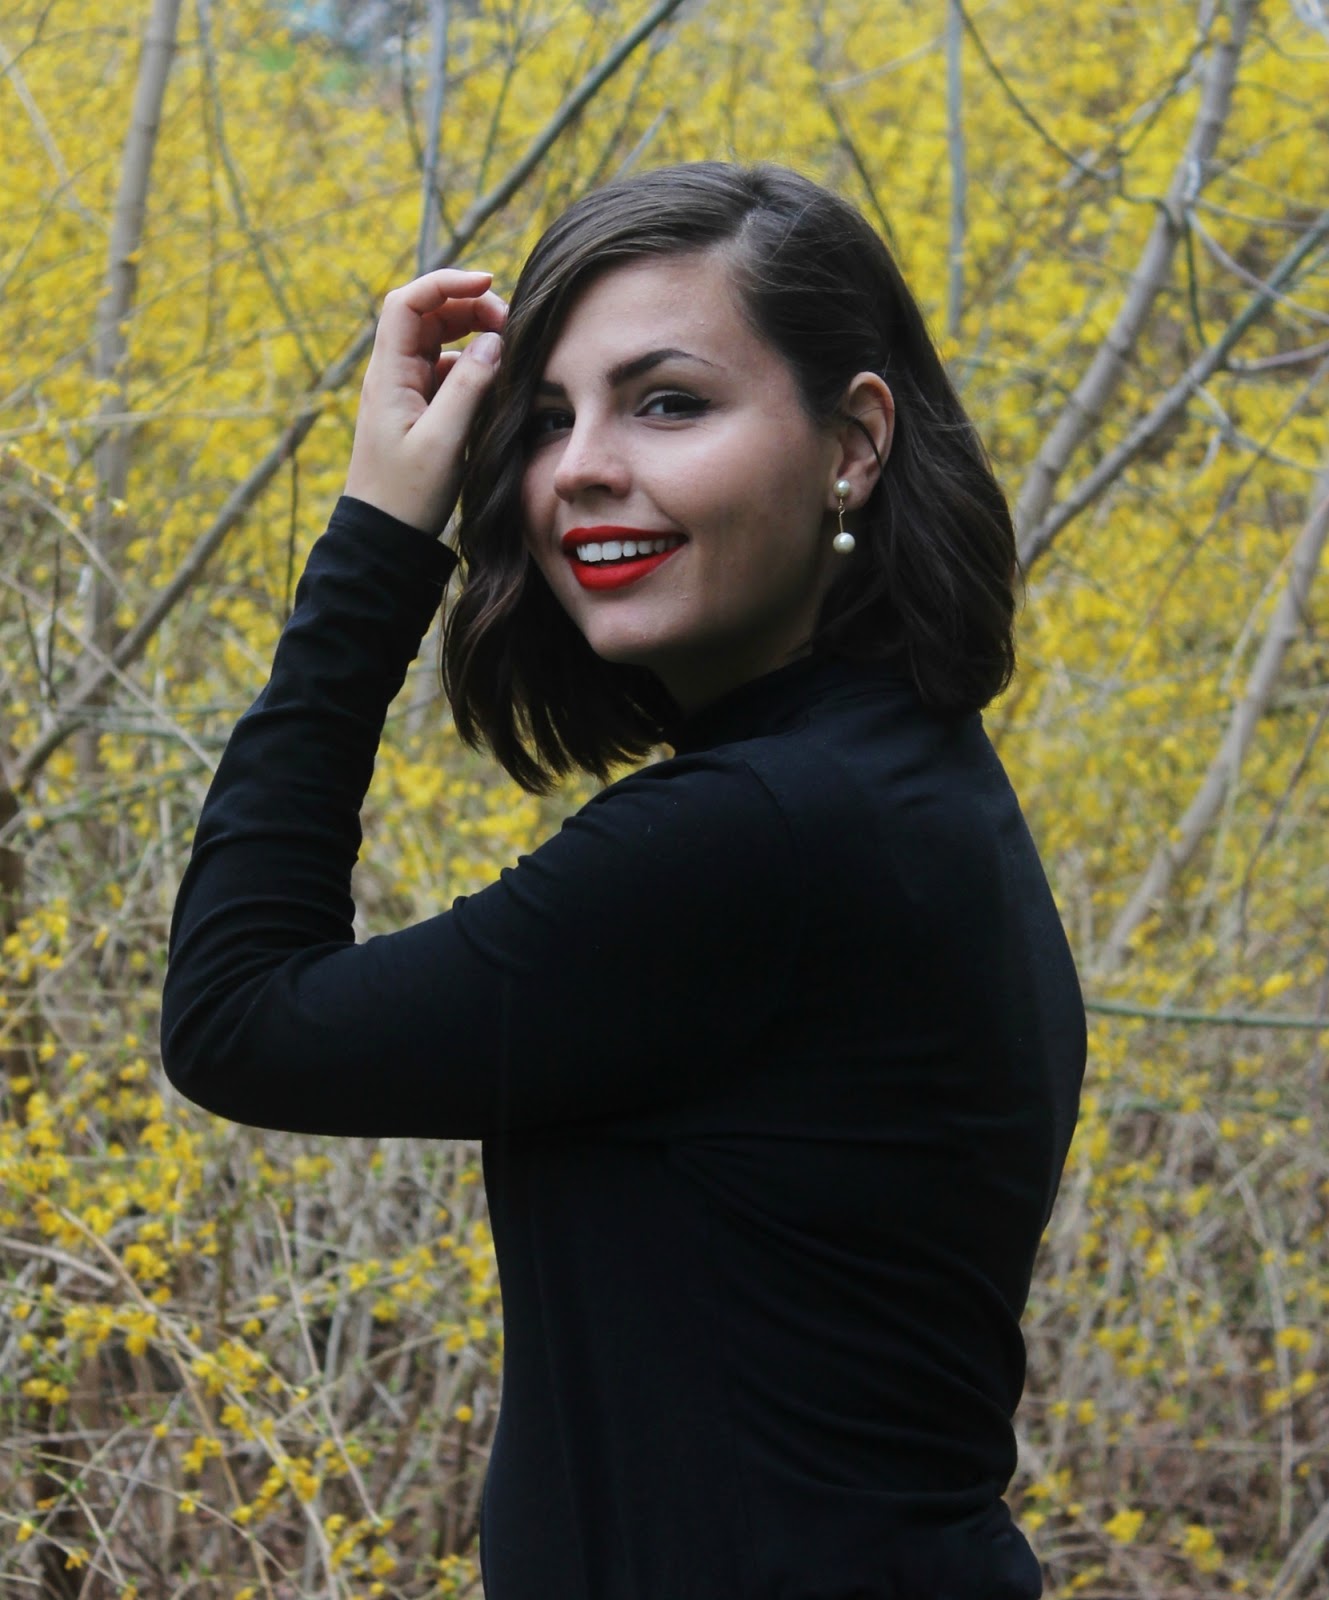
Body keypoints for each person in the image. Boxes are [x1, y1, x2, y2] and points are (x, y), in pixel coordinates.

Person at [162, 162, 1086, 1599]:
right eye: (544, 418)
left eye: (666, 402)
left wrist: (377, 536)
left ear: (854, 442)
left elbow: (236, 1018)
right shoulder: (901, 783)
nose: (581, 465)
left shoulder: (764, 835)